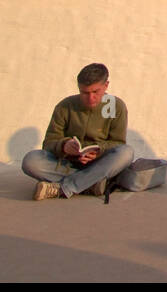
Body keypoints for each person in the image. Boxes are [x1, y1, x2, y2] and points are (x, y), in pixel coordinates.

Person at [21, 62, 134, 200]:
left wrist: (99, 150)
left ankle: (64, 188)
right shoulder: (65, 106)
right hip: (67, 164)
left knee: (126, 153)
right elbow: (49, 143)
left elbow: (118, 143)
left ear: (106, 86)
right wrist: (64, 146)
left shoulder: (116, 106)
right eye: (84, 93)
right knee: (31, 160)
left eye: (95, 92)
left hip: (99, 163)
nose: (90, 98)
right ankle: (91, 184)